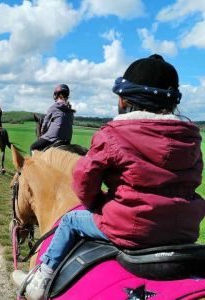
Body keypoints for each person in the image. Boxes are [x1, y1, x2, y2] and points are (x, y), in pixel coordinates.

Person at [12, 54, 205, 300]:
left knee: (70, 220)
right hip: (184, 231)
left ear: (123, 101)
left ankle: (40, 279)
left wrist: (96, 204)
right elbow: (193, 180)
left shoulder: (113, 134)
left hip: (127, 228)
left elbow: (84, 180)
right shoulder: (191, 138)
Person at [30, 84, 75, 152]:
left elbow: (44, 125)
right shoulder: (70, 111)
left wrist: (43, 135)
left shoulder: (53, 108)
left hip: (52, 138)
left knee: (33, 147)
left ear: (56, 95)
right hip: (67, 140)